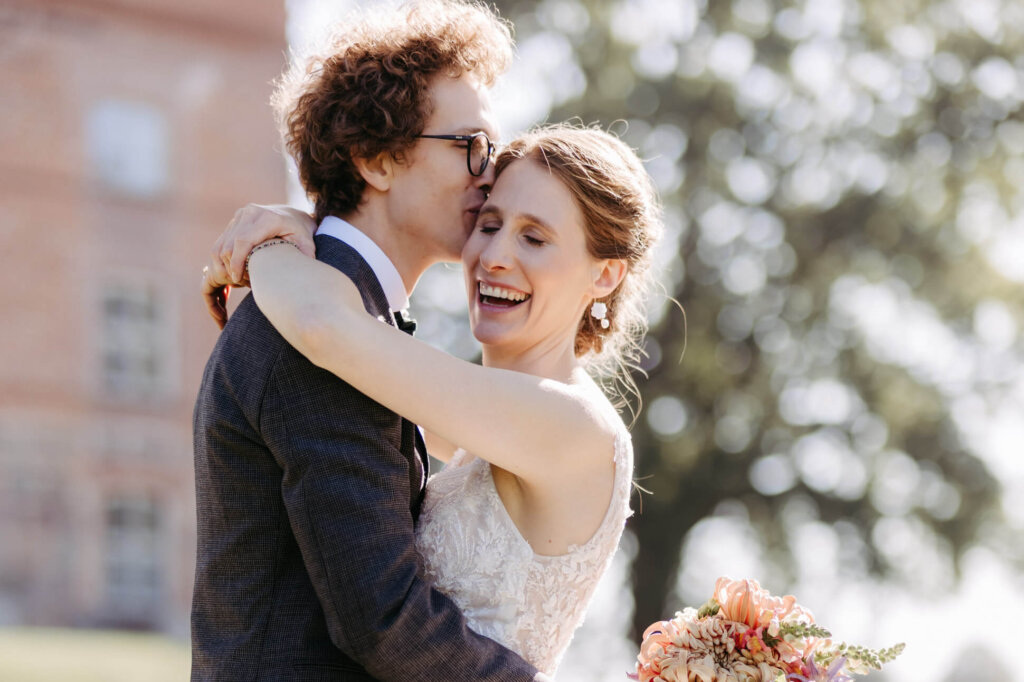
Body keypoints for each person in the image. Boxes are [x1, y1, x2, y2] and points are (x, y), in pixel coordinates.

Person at [204, 123, 663, 677]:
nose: (493, 255)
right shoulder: (483, 424)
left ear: (605, 274)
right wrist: (307, 228)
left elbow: (326, 328)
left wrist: (268, 245)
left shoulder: (569, 424)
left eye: (534, 238)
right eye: (488, 225)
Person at [191, 2, 549, 680]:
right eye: (470, 146)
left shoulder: (351, 316)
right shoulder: (319, 331)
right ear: (377, 160)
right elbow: (381, 619)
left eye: (493, 152)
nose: (489, 174)